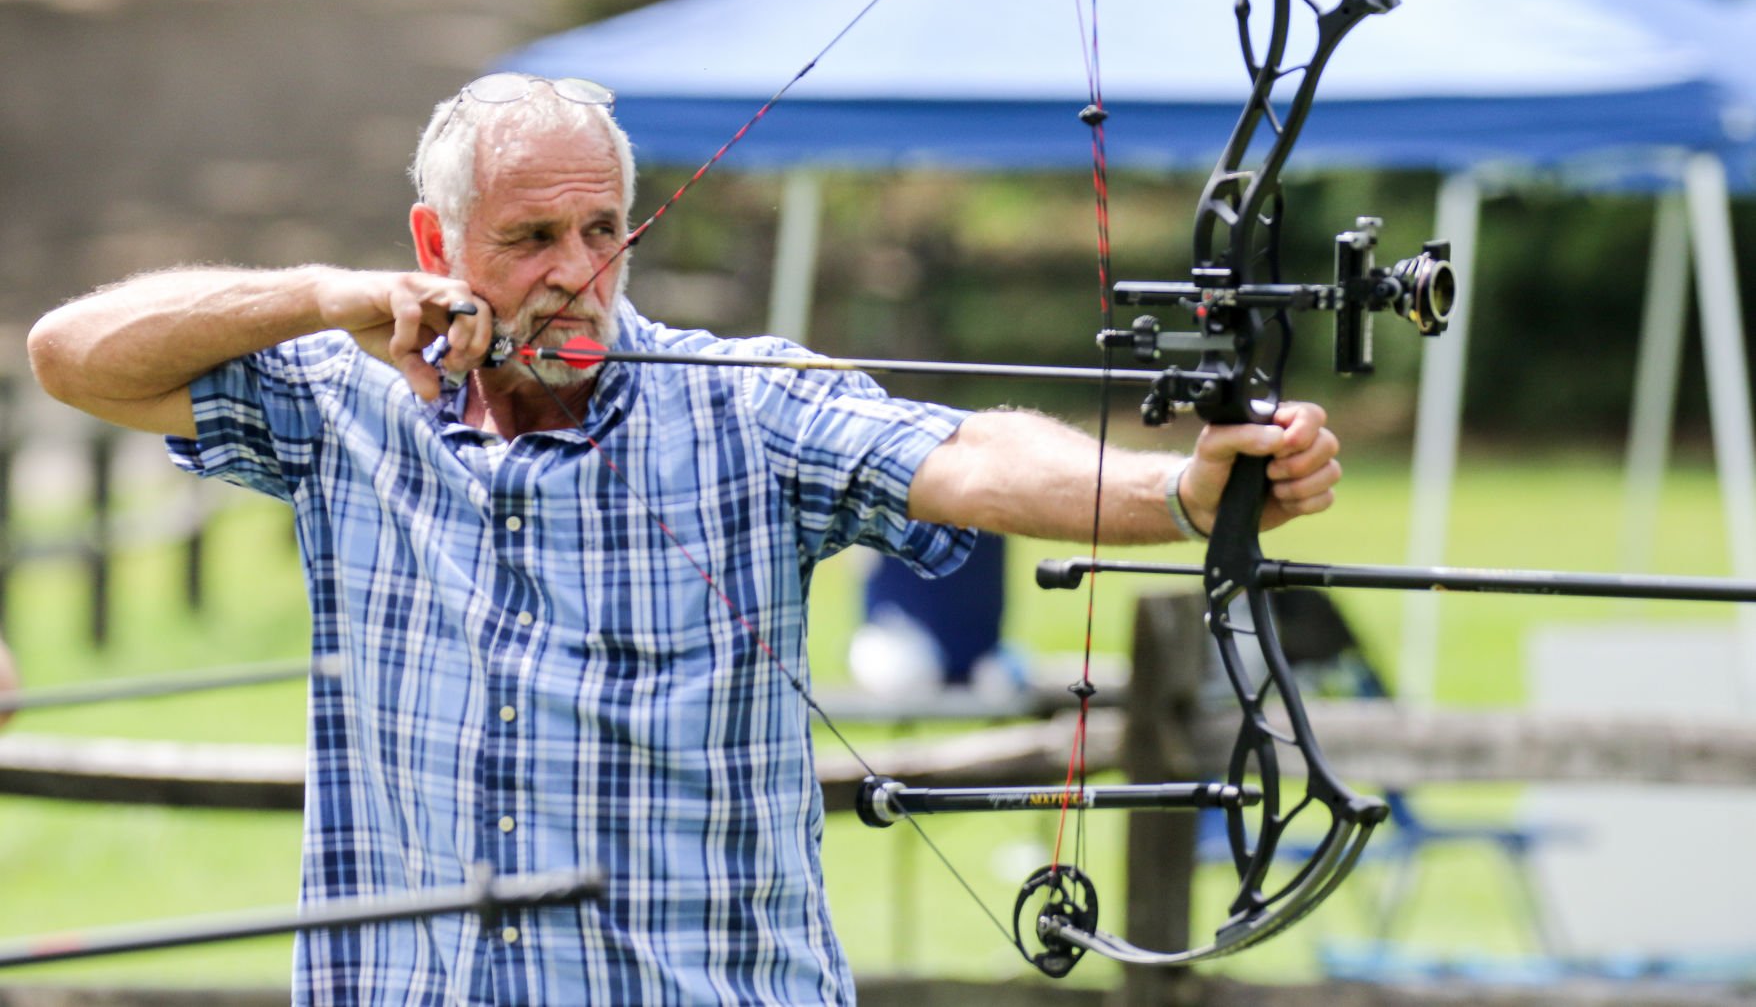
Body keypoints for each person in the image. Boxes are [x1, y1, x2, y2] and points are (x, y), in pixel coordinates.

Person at [27, 73, 1341, 1005]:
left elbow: (965, 455)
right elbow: (71, 357)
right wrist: (327, 297)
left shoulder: (747, 403)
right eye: (530, 238)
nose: (575, 271)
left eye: (603, 233)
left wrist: (1178, 492)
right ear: (436, 246)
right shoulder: (342, 402)